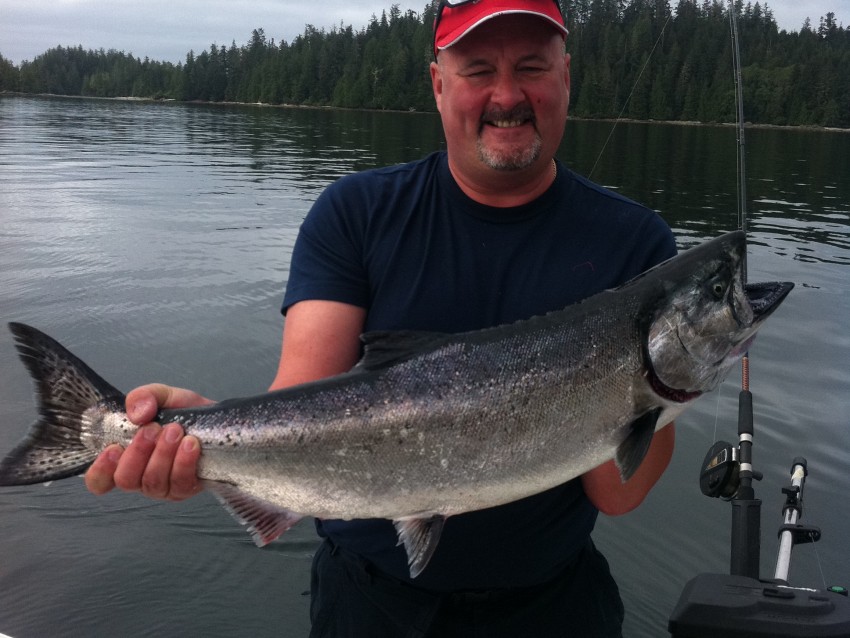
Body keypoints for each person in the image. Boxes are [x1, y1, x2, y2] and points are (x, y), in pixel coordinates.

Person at [85, 1, 677, 636]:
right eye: (478, 70)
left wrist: (637, 372)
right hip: (365, 605)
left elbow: (620, 495)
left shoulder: (635, 245)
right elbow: (299, 398)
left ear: (565, 77)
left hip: (554, 607)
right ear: (438, 84)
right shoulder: (356, 214)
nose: (508, 95)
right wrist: (201, 439)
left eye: (532, 66)